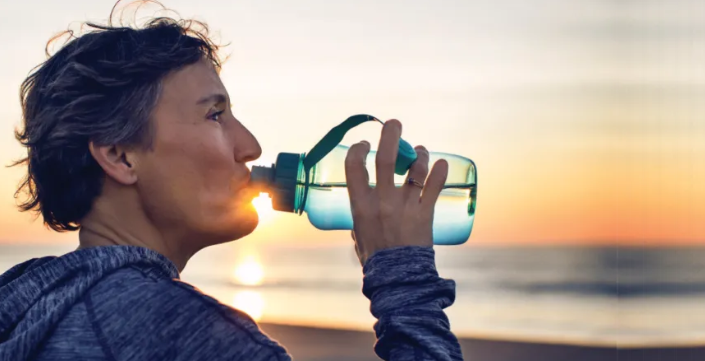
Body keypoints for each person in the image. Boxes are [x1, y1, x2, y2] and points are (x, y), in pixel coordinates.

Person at [0, 2, 463, 360]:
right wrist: (404, 279)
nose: (252, 145)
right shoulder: (191, 337)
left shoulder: (28, 304)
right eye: (215, 114)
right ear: (119, 155)